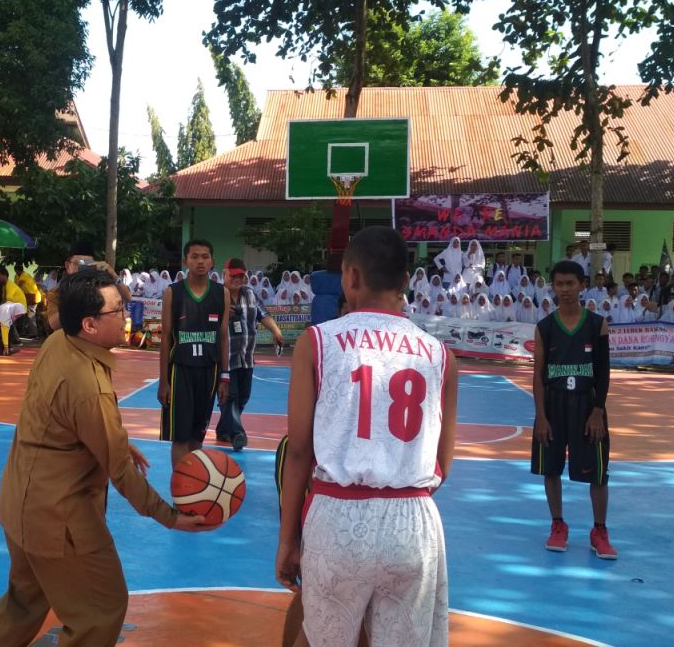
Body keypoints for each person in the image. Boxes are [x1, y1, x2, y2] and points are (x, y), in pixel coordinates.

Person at [0, 270, 216, 646]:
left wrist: (105, 439)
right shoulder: (89, 387)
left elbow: (65, 420)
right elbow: (120, 469)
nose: (126, 315)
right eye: (117, 310)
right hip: (59, 519)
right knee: (102, 610)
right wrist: (170, 517)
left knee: (24, 601)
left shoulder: (57, 342)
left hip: (19, 504)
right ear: (88, 324)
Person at [276, 227, 458, 646]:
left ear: (351, 277)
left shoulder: (318, 342)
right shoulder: (440, 355)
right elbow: (441, 466)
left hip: (339, 515)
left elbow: (299, 450)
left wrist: (288, 539)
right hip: (412, 520)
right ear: (406, 280)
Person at [531, 260, 616, 560]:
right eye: (559, 284)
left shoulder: (597, 324)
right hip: (554, 405)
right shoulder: (545, 327)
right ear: (552, 286)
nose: (565, 289)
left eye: (571, 283)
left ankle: (599, 531)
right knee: (550, 468)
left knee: (598, 472)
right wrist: (541, 416)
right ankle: (558, 525)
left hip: (587, 405)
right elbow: (538, 375)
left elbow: (603, 373)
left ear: (582, 285)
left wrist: (597, 411)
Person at [159, 240, 230, 466]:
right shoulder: (173, 292)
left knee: (197, 437)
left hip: (210, 371)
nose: (200, 261)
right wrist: (163, 381)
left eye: (205, 257)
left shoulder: (222, 293)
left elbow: (224, 337)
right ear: (185, 261)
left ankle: (192, 494)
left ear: (212, 262)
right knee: (180, 437)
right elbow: (166, 338)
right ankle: (180, 496)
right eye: (195, 256)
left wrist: (225, 376)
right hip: (181, 371)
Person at [217, 258, 285, 453]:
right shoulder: (216, 295)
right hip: (225, 358)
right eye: (234, 275)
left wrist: (276, 331)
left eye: (241, 276)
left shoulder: (250, 294)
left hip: (246, 357)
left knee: (243, 397)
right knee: (230, 396)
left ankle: (224, 430)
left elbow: (263, 315)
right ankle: (238, 433)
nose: (238, 279)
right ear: (225, 274)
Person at [44, 242, 133, 332]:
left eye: (88, 263)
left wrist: (113, 275)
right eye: (78, 264)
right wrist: (76, 298)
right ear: (67, 266)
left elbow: (128, 298)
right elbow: (54, 324)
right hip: (70, 341)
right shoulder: (58, 291)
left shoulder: (101, 287)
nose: (83, 268)